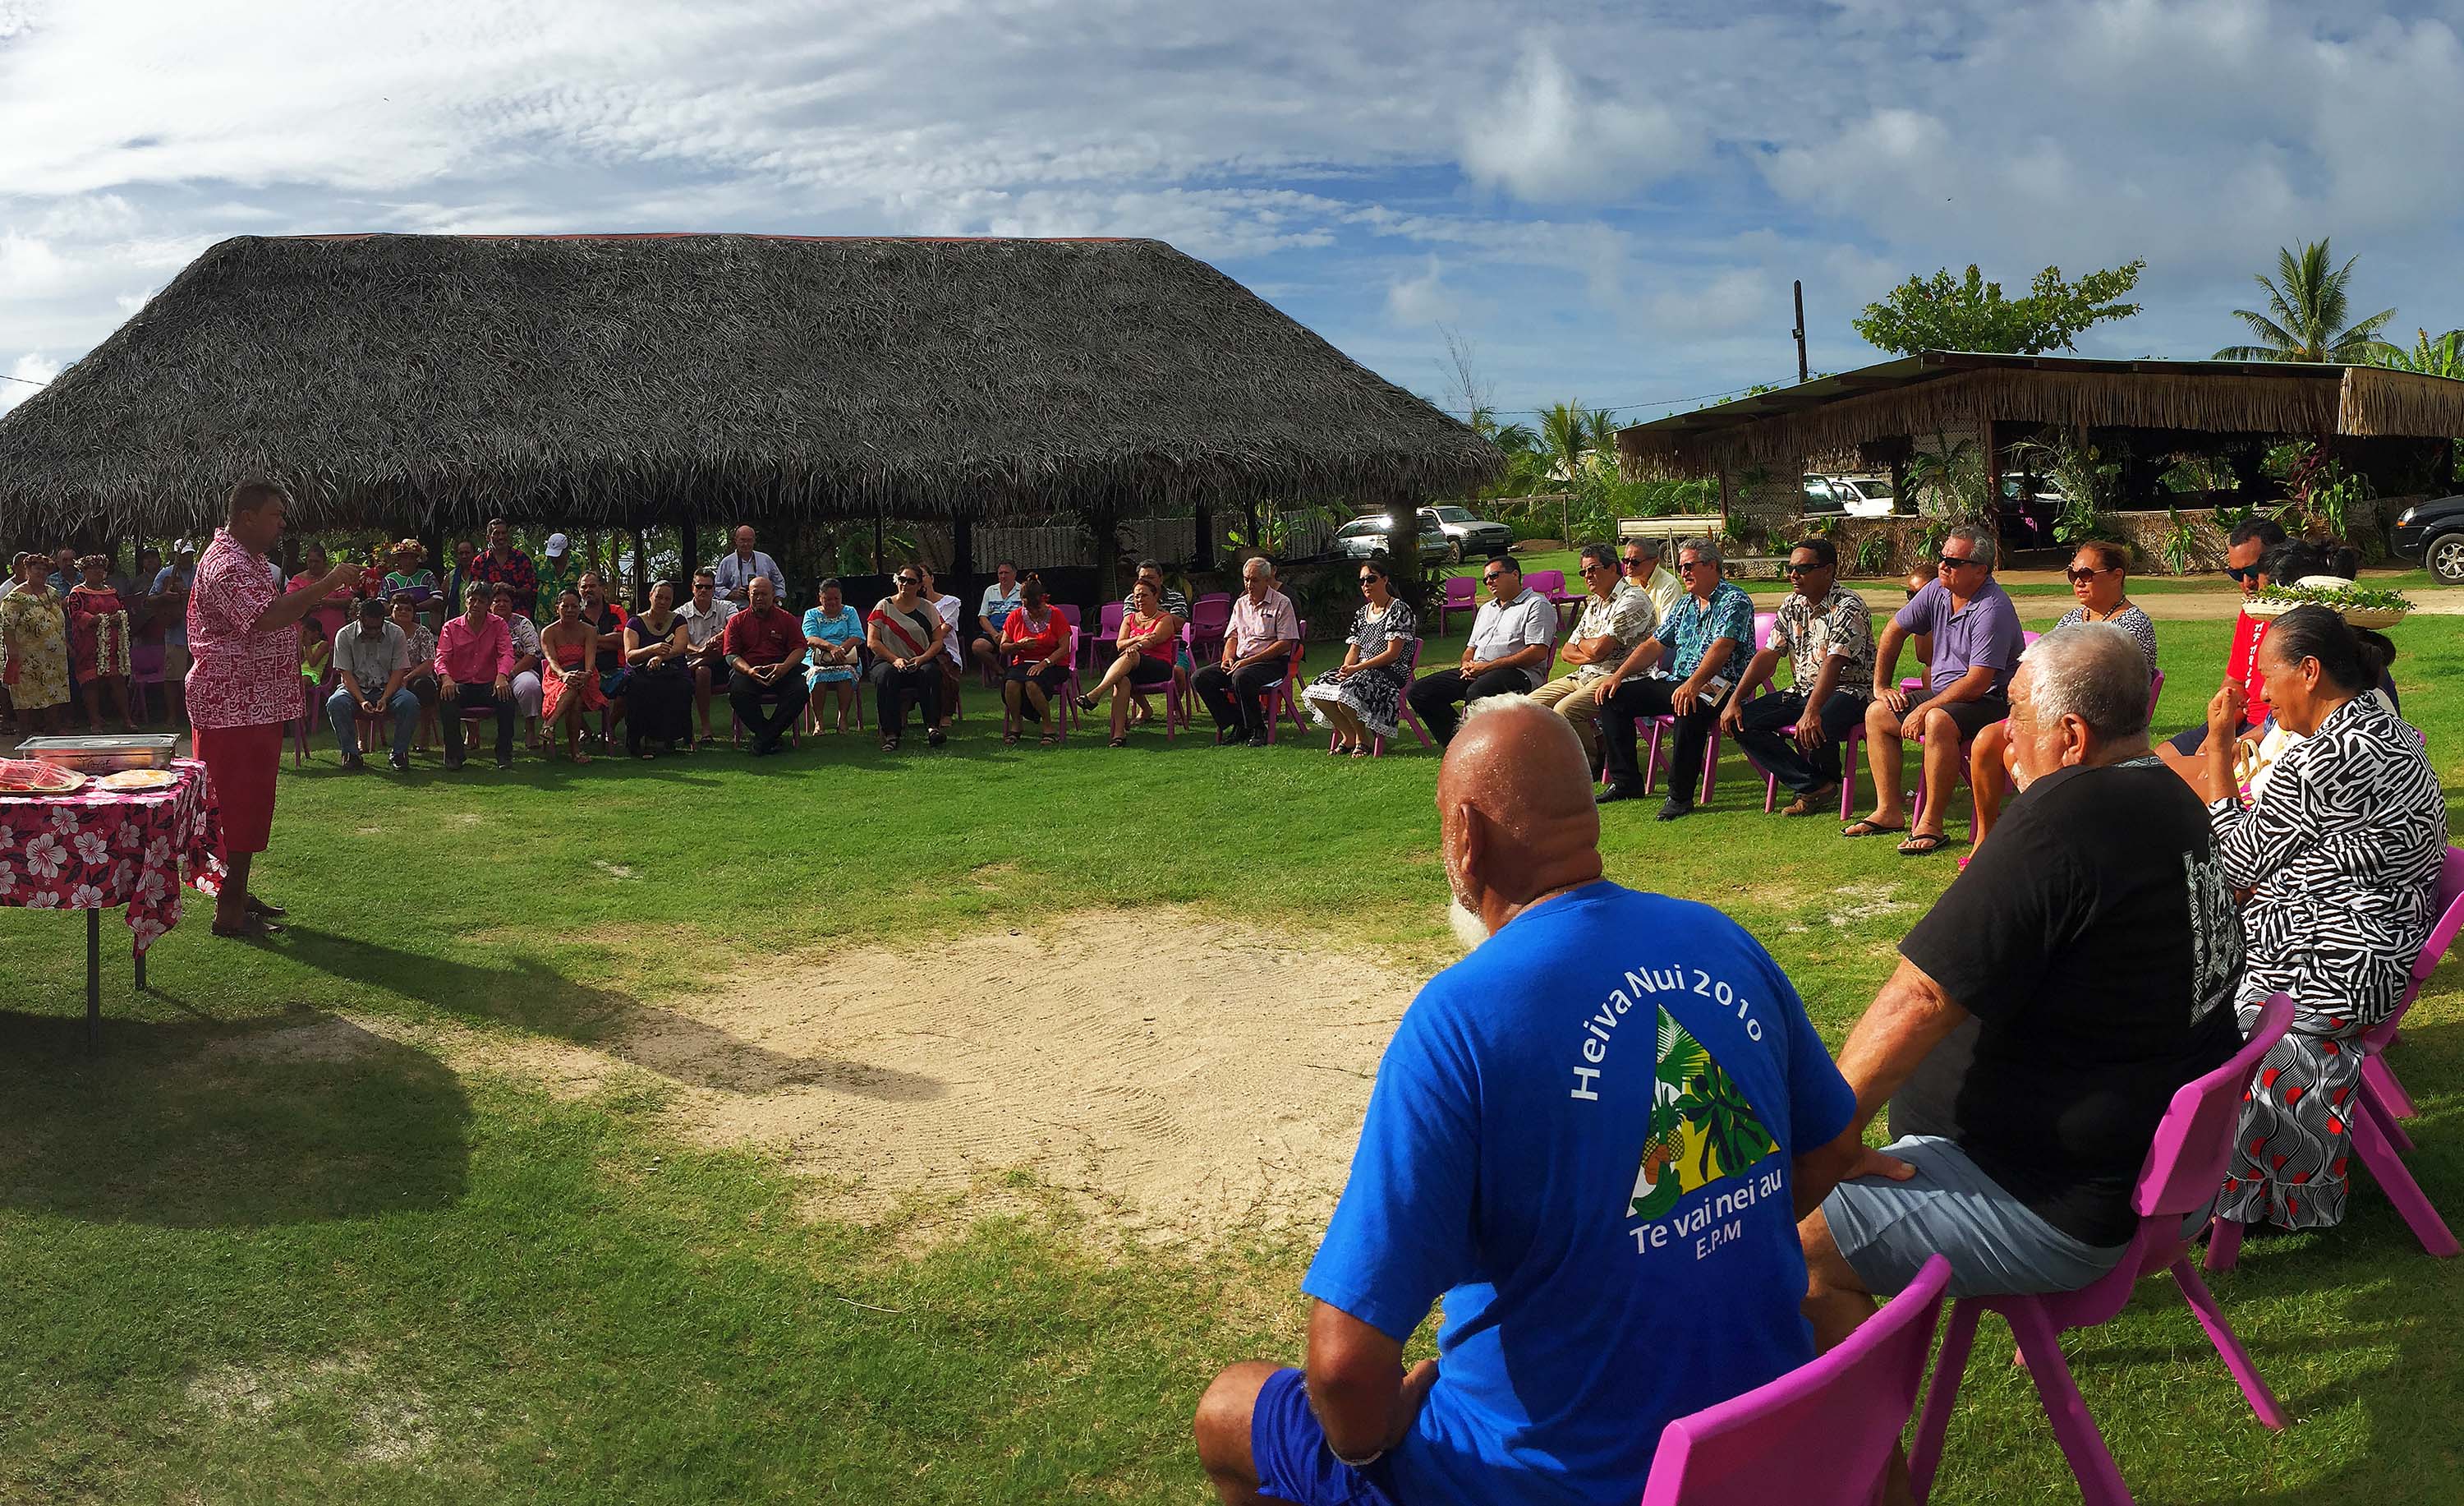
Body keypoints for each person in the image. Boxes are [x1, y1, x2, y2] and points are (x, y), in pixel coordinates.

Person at [1193, 698, 1855, 1506]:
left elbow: (1340, 1367)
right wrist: (1700, 1243)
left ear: (1465, 837)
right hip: (1760, 1447)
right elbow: (1828, 1146)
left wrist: (1365, 1446)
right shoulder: (1718, 936)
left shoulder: (1461, 1017)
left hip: (1549, 1480)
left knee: (1230, 1409)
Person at [1795, 626, 2244, 1485]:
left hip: (2061, 1203)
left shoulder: (2065, 818)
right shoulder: (2172, 797)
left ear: (2070, 737)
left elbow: (1919, 997)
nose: (1999, 738)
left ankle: (1871, 1490)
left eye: (2012, 716)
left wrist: (1827, 1138)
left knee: (1794, 1236)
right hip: (2157, 1181)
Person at [2203, 606, 2445, 1233]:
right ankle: (2206, 1165)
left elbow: (2232, 864)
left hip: (2340, 963)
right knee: (2188, 958)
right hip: (2363, 940)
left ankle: (2194, 1179)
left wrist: (2219, 752)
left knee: (2181, 979)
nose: (2259, 692)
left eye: (2267, 674)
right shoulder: (2378, 728)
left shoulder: (2332, 756)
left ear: (2308, 671)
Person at [190, 481, 365, 937]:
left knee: (247, 808)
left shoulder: (246, 561)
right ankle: (228, 913)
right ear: (247, 517)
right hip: (233, 708)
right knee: (234, 809)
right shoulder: (227, 564)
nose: (282, 522)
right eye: (275, 514)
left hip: (251, 705)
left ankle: (237, 894)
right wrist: (327, 584)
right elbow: (265, 619)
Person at [1844, 523, 2025, 854]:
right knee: (1877, 713)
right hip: (1947, 694)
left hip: (1991, 699)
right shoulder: (1937, 591)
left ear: (1980, 570)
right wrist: (1881, 685)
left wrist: (1924, 708)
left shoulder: (1992, 609)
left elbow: (1978, 683)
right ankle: (1889, 811)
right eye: (1942, 557)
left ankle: (1930, 824)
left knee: (1938, 721)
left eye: (1953, 562)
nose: (1943, 565)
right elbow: (1894, 630)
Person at [1969, 541, 2157, 851]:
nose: (2078, 581)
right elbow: (2042, 666)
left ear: (2116, 575)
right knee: (1987, 741)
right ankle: (1986, 837)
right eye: (2073, 575)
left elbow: (2109, 691)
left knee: (2012, 752)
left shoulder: (2132, 626)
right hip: (2054, 709)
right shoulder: (2073, 619)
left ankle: (2043, 833)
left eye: (2086, 573)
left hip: (2099, 723)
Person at [1596, 538, 1756, 821]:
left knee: (1689, 706)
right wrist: (1618, 676)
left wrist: (1693, 684)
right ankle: (1626, 782)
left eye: (1689, 566)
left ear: (1712, 565)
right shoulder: (1686, 604)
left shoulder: (1735, 600)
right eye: (1681, 567)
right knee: (1614, 697)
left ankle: (1679, 796)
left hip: (1723, 685)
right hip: (1680, 681)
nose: (1683, 573)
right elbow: (1655, 644)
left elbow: (1723, 647)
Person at [1724, 537, 1877, 817]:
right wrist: (1735, 699)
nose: (1793, 575)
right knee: (1741, 721)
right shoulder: (1793, 603)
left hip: (1850, 691)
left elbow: (1834, 661)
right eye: (1790, 567)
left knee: (1823, 719)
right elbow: (1769, 653)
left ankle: (1821, 782)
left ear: (1828, 571)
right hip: (1803, 689)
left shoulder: (1848, 606)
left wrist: (1812, 710)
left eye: (1803, 568)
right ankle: (1814, 784)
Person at [1526, 543, 1654, 765]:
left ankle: (1591, 762)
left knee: (1565, 710)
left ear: (1613, 568)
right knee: (1529, 705)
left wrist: (1589, 648)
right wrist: (1592, 653)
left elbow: (1600, 649)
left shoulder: (1633, 600)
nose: (1587, 575)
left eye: (1593, 569)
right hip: (1585, 674)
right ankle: (1595, 743)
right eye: (1583, 571)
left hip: (1620, 677)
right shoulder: (1595, 604)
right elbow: (1567, 651)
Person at [1405, 555, 1555, 744]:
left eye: (1494, 576)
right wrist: (1467, 664)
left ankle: (1480, 745)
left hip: (1520, 674)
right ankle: (1458, 743)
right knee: (1420, 691)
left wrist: (1488, 668)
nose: (1489, 582)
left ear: (1515, 574)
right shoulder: (1486, 610)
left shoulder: (1536, 605)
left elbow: (1537, 652)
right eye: (1485, 579)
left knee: (1478, 690)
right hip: (1480, 671)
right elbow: (1471, 648)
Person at [1303, 555, 1418, 757]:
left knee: (1348, 690)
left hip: (1391, 670)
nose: (1366, 584)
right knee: (1317, 686)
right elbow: (1354, 650)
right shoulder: (1361, 613)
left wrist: (1357, 669)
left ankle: (1362, 740)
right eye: (1362, 580)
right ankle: (1348, 736)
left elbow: (1393, 654)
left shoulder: (1399, 609)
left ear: (1385, 580)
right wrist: (1346, 669)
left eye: (1371, 579)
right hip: (1362, 669)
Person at [1191, 558, 1299, 747]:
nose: (1249, 584)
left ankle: (1257, 728)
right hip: (1241, 660)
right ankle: (1238, 722)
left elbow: (1285, 643)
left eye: (1255, 580)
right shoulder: (1241, 604)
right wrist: (1228, 658)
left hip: (1271, 662)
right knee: (1200, 677)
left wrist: (1247, 662)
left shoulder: (1282, 603)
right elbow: (1232, 637)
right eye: (1246, 579)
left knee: (1242, 676)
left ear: (1267, 580)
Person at [326, 595, 416, 771]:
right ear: (359, 619)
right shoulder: (344, 635)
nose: (374, 632)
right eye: (369, 628)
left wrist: (384, 698)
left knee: (409, 702)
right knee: (336, 703)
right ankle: (351, 754)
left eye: (378, 627)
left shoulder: (396, 633)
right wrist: (361, 700)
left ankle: (399, 753)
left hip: (387, 687)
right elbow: (346, 675)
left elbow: (399, 672)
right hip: (355, 688)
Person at [434, 580, 518, 771]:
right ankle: (455, 754)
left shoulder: (498, 625)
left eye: (481, 601)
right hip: (460, 684)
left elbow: (506, 652)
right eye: (472, 600)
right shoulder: (451, 627)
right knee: (447, 698)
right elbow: (441, 657)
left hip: (489, 683)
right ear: (466, 602)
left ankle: (504, 753)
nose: (476, 605)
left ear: (489, 604)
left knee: (506, 698)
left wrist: (502, 676)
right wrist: (446, 678)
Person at [1087, 580, 1183, 746]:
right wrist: (1138, 638)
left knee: (1131, 655)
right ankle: (1119, 735)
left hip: (1160, 667)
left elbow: (1153, 641)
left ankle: (1096, 693)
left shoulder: (1165, 619)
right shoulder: (1129, 619)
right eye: (1136, 596)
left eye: (1144, 595)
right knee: (1122, 680)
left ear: (1155, 596)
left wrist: (1136, 645)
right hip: (1133, 666)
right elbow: (1119, 644)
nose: (1139, 599)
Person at [721, 574, 806, 757]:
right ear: (749, 596)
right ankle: (770, 736)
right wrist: (749, 671)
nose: (759, 598)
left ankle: (763, 738)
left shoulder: (787, 619)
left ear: (773, 595)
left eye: (764, 594)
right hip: (749, 670)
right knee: (737, 692)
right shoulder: (736, 621)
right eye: (755, 594)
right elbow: (731, 655)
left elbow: (800, 649)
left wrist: (783, 667)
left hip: (782, 669)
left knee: (800, 690)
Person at [867, 567, 946, 750]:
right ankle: (891, 734)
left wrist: (923, 658)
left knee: (931, 673)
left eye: (911, 581)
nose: (905, 584)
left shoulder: (928, 608)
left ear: (919, 585)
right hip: (888, 660)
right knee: (887, 675)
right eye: (902, 579)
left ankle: (933, 728)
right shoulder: (884, 606)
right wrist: (894, 660)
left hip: (920, 660)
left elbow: (937, 641)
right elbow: (873, 642)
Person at [0, 553, 72, 735]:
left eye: (44, 569)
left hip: (53, 657)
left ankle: (53, 729)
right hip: (25, 656)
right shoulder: (15, 598)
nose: (41, 572)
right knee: (25, 695)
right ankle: (25, 732)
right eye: (36, 568)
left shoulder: (53, 593)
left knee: (53, 692)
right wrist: (12, 654)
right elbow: (7, 627)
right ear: (27, 570)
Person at [67, 554, 140, 731]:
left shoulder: (111, 591)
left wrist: (119, 617)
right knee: (91, 682)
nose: (98, 572)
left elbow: (122, 609)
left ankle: (127, 719)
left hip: (113, 644)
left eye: (101, 568)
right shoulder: (78, 593)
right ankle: (95, 721)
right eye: (93, 569)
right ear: (84, 571)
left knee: (117, 681)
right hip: (89, 644)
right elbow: (76, 615)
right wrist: (100, 619)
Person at [623, 580, 695, 758]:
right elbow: (630, 655)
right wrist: (652, 650)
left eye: (667, 599)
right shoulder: (634, 623)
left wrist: (660, 657)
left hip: (672, 668)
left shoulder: (678, 621)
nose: (662, 602)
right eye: (659, 597)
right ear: (650, 597)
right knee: (640, 687)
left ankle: (671, 738)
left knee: (681, 687)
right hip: (640, 670)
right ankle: (638, 740)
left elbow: (679, 647)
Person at [998, 576, 1073, 745]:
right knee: (1011, 682)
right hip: (1024, 662)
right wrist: (1018, 645)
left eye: (1036, 608)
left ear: (1043, 600)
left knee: (1033, 683)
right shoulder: (1015, 616)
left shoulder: (1056, 615)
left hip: (1053, 664)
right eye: (1028, 608)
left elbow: (1064, 648)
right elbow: (1003, 647)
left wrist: (1044, 663)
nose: (1033, 612)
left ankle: (1048, 727)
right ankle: (1016, 724)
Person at [536, 589, 606, 765]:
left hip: (586, 676)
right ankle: (575, 752)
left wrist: (587, 674)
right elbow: (551, 659)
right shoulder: (548, 632)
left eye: (574, 606)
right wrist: (563, 675)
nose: (569, 610)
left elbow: (591, 657)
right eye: (565, 606)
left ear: (580, 608)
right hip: (556, 677)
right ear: (556, 608)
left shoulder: (589, 631)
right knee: (573, 695)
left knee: (575, 687)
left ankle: (549, 725)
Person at [677, 568, 739, 745]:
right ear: (693, 588)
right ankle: (706, 729)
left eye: (708, 587)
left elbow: (734, 627)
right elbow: (682, 643)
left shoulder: (727, 607)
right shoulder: (680, 613)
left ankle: (706, 729)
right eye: (699, 586)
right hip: (695, 663)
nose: (703, 590)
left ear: (714, 589)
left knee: (722, 651)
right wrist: (700, 651)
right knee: (703, 670)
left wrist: (718, 638)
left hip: (722, 664)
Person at [802, 578, 866, 735]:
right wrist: (831, 648)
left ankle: (843, 718)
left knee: (845, 673)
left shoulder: (850, 612)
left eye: (836, 598)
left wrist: (841, 650)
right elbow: (810, 638)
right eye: (828, 599)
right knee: (817, 675)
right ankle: (819, 721)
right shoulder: (811, 614)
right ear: (820, 598)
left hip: (845, 655)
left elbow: (857, 636)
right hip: (817, 656)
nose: (832, 602)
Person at [149, 540, 198, 726]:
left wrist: (192, 595)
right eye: (183, 555)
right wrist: (165, 597)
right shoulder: (166, 574)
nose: (186, 558)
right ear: (176, 555)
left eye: (189, 555)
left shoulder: (200, 570)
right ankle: (172, 715)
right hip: (175, 632)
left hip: (198, 632)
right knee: (172, 676)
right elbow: (150, 599)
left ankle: (195, 713)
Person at [577, 572, 631, 740]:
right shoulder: (572, 614)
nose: (588, 590)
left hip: (615, 670)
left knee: (632, 682)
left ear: (603, 589)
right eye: (584, 587)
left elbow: (622, 640)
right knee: (563, 690)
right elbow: (572, 647)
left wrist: (589, 641)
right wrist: (605, 642)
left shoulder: (617, 611)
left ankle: (609, 728)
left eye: (592, 586)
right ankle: (586, 730)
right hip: (582, 672)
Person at [490, 583, 544, 748]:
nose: (501, 604)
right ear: (490, 604)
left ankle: (530, 731)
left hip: (518, 671)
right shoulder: (482, 623)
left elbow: (534, 653)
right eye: (497, 600)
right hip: (488, 672)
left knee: (530, 686)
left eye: (506, 601)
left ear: (512, 604)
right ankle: (473, 733)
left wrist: (510, 673)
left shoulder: (522, 623)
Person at [392, 592, 442, 753]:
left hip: (415, 676)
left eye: (408, 609)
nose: (403, 612)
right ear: (391, 611)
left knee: (424, 686)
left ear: (414, 613)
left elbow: (429, 662)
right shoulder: (384, 631)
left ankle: (424, 737)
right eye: (399, 609)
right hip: (387, 676)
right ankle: (363, 741)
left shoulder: (423, 632)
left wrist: (407, 677)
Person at [917, 563, 968, 716]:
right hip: (917, 649)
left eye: (923, 576)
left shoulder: (950, 603)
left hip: (944, 651)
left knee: (939, 665)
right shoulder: (911, 605)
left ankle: (945, 713)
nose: (921, 581)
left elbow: (944, 631)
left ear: (931, 578)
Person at [288, 541, 355, 652]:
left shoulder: (336, 577)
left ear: (324, 562)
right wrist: (308, 606)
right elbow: (289, 604)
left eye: (317, 562)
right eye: (310, 561)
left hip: (332, 631)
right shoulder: (297, 580)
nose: (313, 565)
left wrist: (325, 602)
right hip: (305, 635)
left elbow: (348, 601)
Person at [471, 518, 538, 616]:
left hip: (518, 616)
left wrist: (513, 590)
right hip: (488, 619)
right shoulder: (480, 562)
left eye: (504, 533)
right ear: (488, 537)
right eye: (497, 533)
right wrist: (492, 589)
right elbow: (475, 592)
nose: (501, 537)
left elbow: (532, 589)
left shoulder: (521, 558)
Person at [970, 560, 1024, 681]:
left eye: (1006, 573)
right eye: (1000, 573)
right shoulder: (990, 591)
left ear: (1014, 574)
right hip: (994, 633)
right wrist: (994, 634)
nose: (1003, 576)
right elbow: (983, 617)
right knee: (977, 647)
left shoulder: (1022, 591)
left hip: (1014, 634)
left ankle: (1019, 675)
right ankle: (1001, 672)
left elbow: (1025, 617)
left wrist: (1006, 633)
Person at [712, 524, 786, 606]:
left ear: (754, 541)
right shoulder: (727, 562)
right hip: (736, 610)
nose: (746, 544)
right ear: (736, 541)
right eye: (742, 540)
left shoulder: (765, 559)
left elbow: (779, 582)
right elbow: (716, 587)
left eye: (749, 540)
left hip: (764, 611)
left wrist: (777, 601)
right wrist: (731, 594)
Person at [1621, 535, 1685, 623]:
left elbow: (1666, 629)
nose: (1629, 566)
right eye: (1626, 561)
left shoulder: (1669, 586)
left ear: (1654, 562)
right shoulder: (1625, 583)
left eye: (1635, 562)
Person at [381, 539, 440, 615]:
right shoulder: (389, 579)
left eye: (412, 557)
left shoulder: (427, 575)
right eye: (405, 558)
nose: (408, 561)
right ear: (398, 560)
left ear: (417, 560)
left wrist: (414, 608)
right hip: (397, 624)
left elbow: (437, 598)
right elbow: (382, 603)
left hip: (425, 622)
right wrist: (401, 612)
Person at [534, 532, 582, 615]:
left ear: (566, 550)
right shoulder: (539, 561)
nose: (554, 558)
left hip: (571, 615)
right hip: (544, 616)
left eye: (558, 554)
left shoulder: (578, 561)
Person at [442, 538, 481, 633]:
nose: (464, 556)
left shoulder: (481, 573)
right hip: (456, 624)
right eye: (461, 553)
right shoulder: (451, 576)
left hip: (478, 623)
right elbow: (443, 600)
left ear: (474, 554)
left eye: (467, 553)